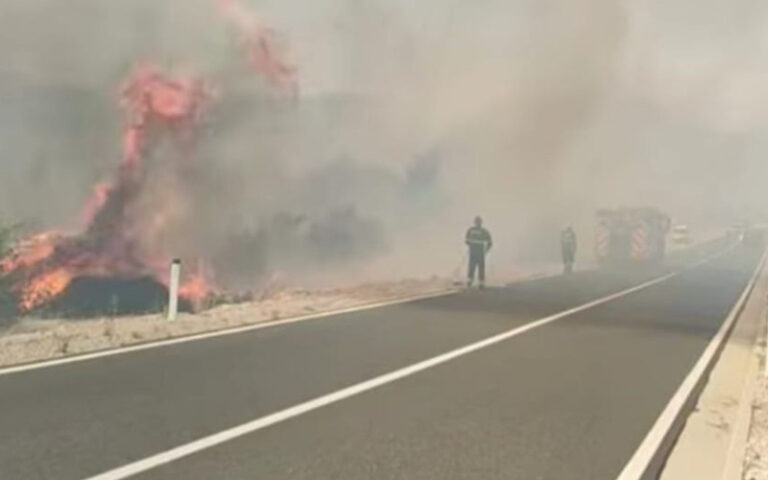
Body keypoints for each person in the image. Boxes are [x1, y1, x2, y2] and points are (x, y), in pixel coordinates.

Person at [465, 216, 492, 288]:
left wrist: (486, 249)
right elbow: (467, 240)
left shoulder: (472, 230)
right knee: (474, 265)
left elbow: (466, 241)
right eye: (477, 221)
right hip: (476, 250)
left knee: (478, 266)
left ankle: (479, 281)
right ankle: (472, 280)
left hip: (477, 250)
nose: (477, 223)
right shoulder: (482, 231)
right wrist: (487, 249)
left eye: (478, 221)